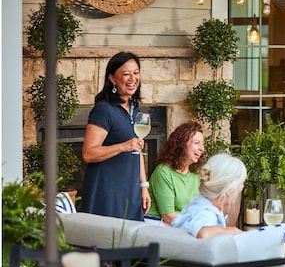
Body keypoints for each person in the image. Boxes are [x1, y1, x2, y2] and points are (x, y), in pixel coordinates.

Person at [81, 52, 149, 221]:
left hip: (130, 189)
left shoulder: (134, 107)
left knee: (132, 242)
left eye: (136, 72)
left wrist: (144, 186)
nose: (132, 78)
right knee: (108, 243)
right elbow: (88, 154)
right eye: (126, 74)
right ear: (112, 79)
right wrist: (123, 146)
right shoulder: (104, 110)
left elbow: (137, 149)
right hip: (108, 191)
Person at [172, 153, 245, 238]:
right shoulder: (206, 213)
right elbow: (204, 233)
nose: (242, 186)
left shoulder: (199, 203)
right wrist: (233, 231)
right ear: (229, 190)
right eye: (241, 183)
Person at [146, 121, 205, 224]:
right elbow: (168, 217)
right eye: (196, 143)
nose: (202, 149)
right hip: (159, 227)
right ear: (182, 144)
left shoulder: (196, 172)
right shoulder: (163, 172)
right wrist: (201, 224)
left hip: (185, 227)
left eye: (202, 144)